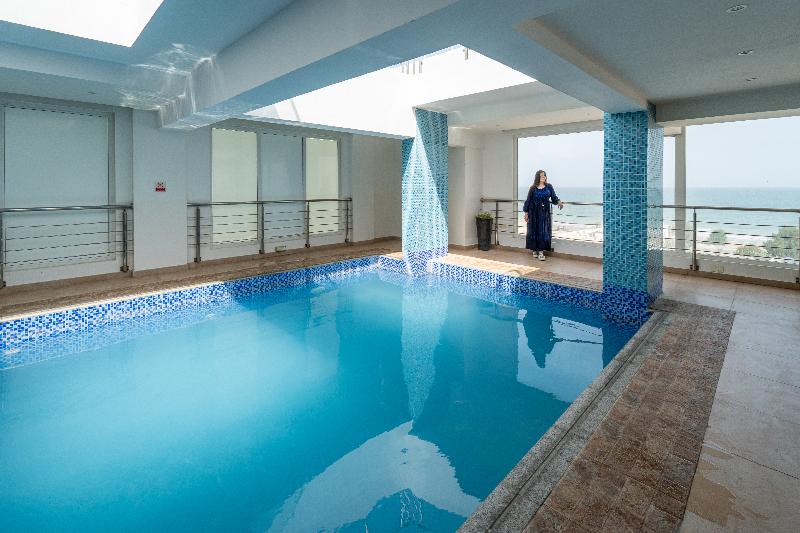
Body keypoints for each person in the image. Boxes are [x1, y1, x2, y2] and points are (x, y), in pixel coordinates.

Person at [523, 170, 563, 260]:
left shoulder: (549, 187)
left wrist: (559, 201)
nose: (543, 177)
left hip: (544, 214)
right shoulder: (533, 188)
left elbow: (553, 198)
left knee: (543, 231)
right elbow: (528, 201)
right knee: (533, 231)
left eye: (544, 175)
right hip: (533, 213)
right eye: (541, 176)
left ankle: (541, 252)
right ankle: (535, 250)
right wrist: (526, 213)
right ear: (538, 177)